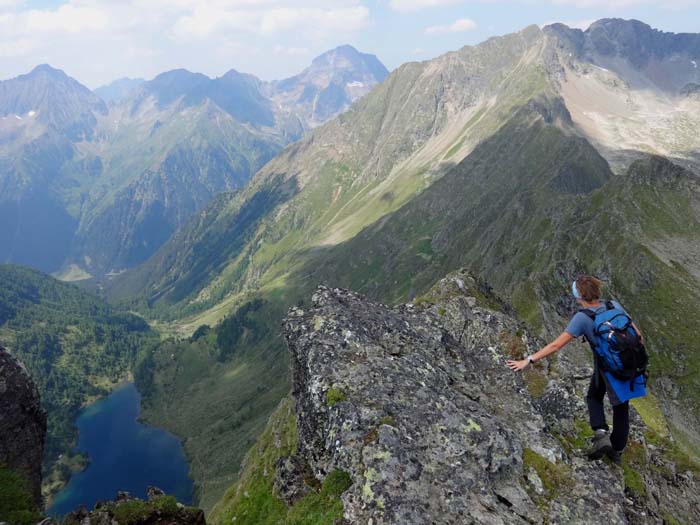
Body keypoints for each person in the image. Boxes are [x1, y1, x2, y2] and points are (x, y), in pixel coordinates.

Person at [506, 275, 644, 464]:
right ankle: (616, 450)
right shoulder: (614, 306)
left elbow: (555, 346)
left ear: (579, 297)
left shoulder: (583, 318)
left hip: (608, 366)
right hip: (626, 363)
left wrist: (528, 360)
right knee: (620, 407)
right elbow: (638, 336)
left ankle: (604, 437)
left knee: (594, 397)